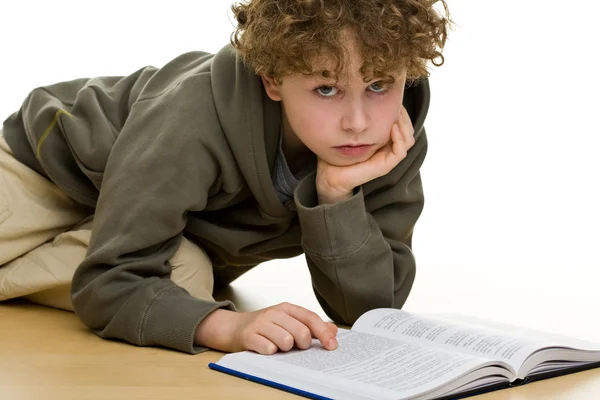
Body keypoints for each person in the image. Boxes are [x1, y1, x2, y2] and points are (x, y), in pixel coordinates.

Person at [0, 0, 451, 355]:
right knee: (161, 295)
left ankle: (97, 247)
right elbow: (111, 281)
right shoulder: (190, 117)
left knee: (186, 285)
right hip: (42, 173)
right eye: (326, 88)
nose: (356, 122)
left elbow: (370, 311)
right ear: (272, 80)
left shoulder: (389, 141)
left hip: (163, 228)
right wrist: (232, 327)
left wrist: (335, 197)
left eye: (378, 85)